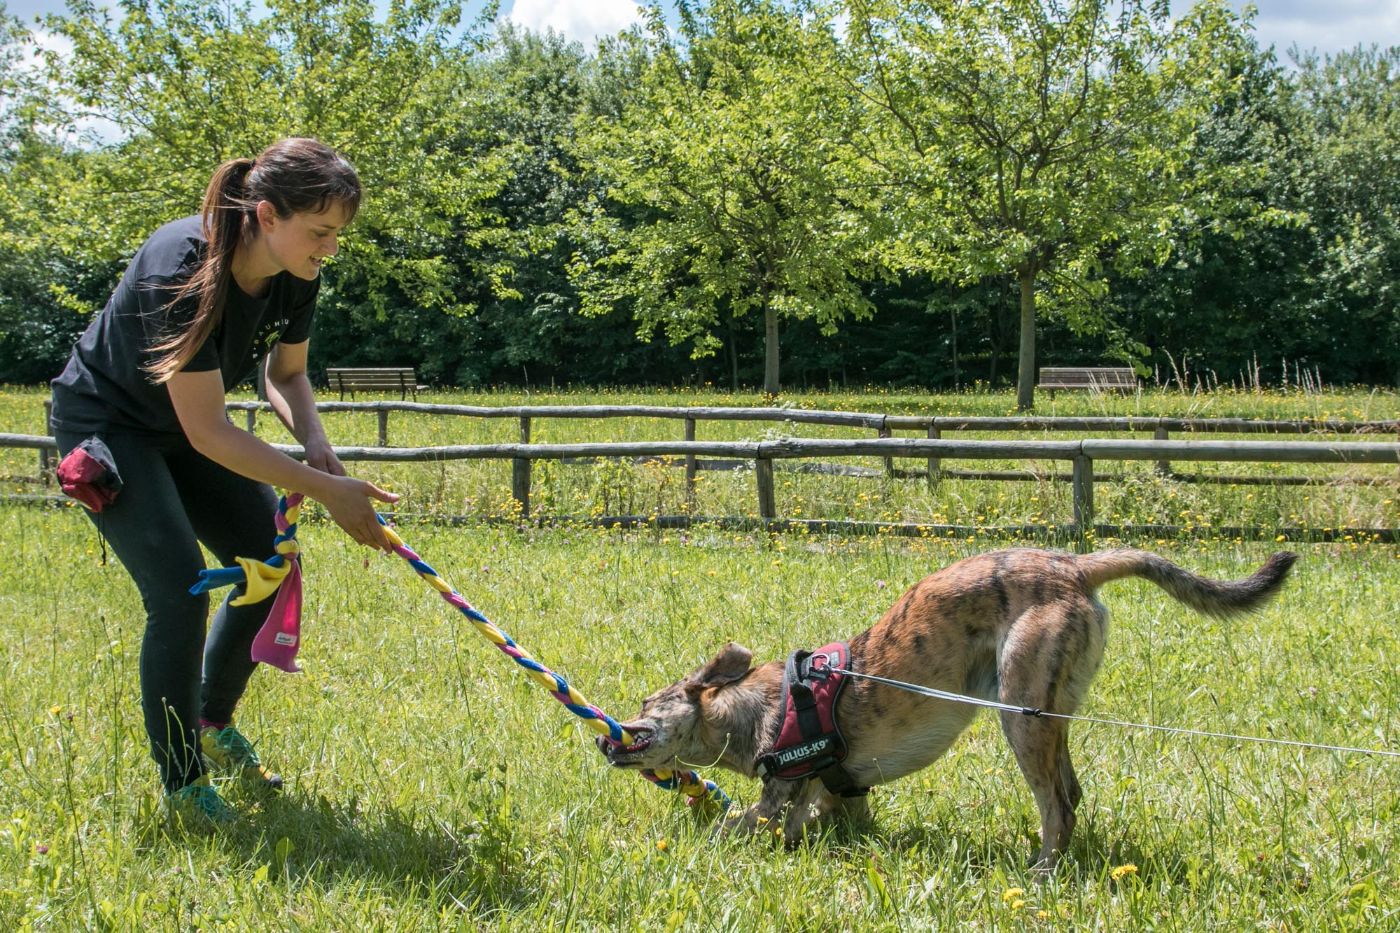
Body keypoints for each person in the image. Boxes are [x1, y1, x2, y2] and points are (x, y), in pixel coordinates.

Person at [49, 137, 398, 823]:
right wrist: (327, 492)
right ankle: (182, 782)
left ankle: (212, 720)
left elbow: (286, 374)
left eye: (337, 235)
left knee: (269, 556)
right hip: (112, 424)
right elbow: (211, 431)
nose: (329, 248)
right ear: (267, 214)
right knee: (180, 593)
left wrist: (317, 443)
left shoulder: (296, 272)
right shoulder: (180, 267)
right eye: (320, 232)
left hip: (182, 427)